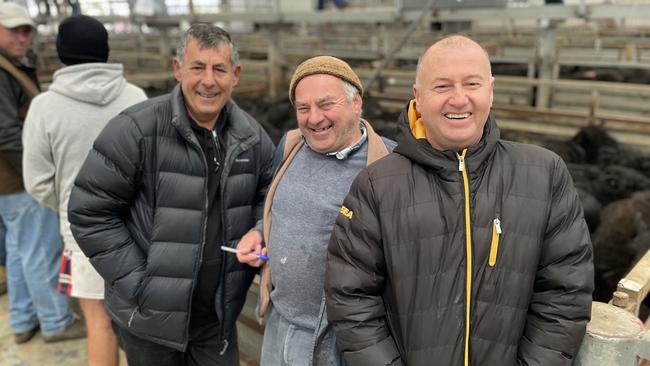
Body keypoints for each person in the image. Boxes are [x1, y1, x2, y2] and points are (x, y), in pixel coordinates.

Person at [325, 35, 594, 366]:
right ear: (418, 98)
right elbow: (351, 296)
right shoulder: (376, 185)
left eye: (472, 83)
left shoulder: (544, 173)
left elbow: (565, 292)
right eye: (441, 87)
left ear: (490, 91)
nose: (459, 99)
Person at [68, 23, 275, 366]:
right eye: (197, 67)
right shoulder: (136, 129)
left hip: (216, 321)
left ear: (235, 75)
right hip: (148, 323)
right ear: (177, 69)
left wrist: (258, 230)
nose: (208, 80)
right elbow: (90, 212)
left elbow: (270, 195)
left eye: (219, 69)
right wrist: (141, 284)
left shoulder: (252, 137)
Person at [236, 56, 395, 365]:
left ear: (356, 102)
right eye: (303, 108)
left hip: (342, 340)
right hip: (280, 324)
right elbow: (278, 210)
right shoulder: (290, 145)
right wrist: (259, 234)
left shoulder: (388, 163)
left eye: (326, 104)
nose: (314, 118)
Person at [22, 15, 147, 366]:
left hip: (82, 234)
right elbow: (151, 170)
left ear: (61, 54)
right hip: (137, 229)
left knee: (99, 324)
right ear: (105, 51)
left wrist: (68, 205)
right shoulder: (135, 97)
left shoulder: (45, 107)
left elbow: (37, 183)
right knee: (142, 323)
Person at [0, 1, 85, 344]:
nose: (23, 38)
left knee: (21, 250)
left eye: (26, 31)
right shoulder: (3, 73)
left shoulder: (14, 66)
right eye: (14, 31)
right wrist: (38, 172)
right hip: (18, 181)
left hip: (9, 184)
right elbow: (5, 134)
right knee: (39, 250)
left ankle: (23, 318)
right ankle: (55, 321)